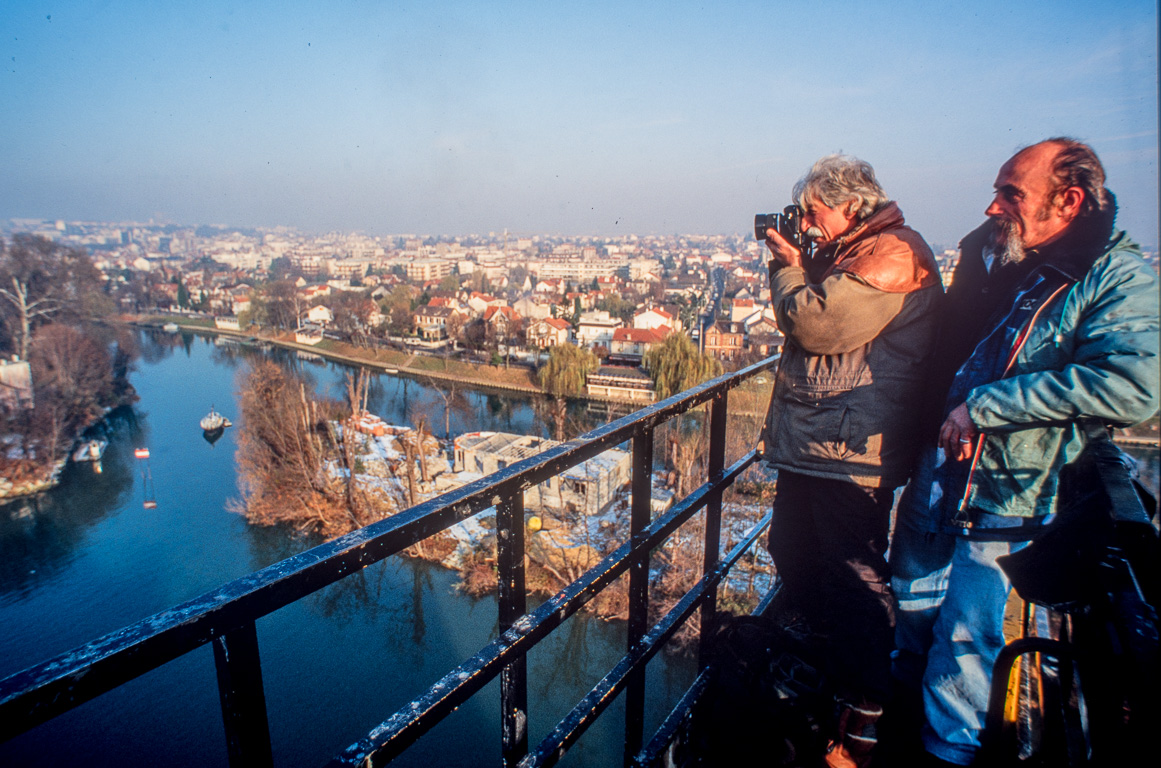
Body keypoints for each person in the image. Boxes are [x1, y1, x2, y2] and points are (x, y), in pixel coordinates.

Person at [890, 138, 1160, 766]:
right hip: (941, 470)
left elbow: (1132, 385)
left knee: (966, 633)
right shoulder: (1004, 256)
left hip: (1011, 484)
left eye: (1010, 193)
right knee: (912, 599)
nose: (991, 208)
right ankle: (905, 728)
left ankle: (945, 755)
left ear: (1067, 201)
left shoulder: (1116, 277)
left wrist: (984, 406)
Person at [760, 154, 943, 767]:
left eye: (815, 211)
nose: (808, 223)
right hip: (822, 443)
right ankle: (828, 679)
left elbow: (814, 324)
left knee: (855, 578)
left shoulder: (891, 253)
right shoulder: (856, 251)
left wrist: (787, 267)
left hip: (851, 451)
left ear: (852, 205)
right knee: (792, 547)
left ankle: (863, 716)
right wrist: (809, 259)